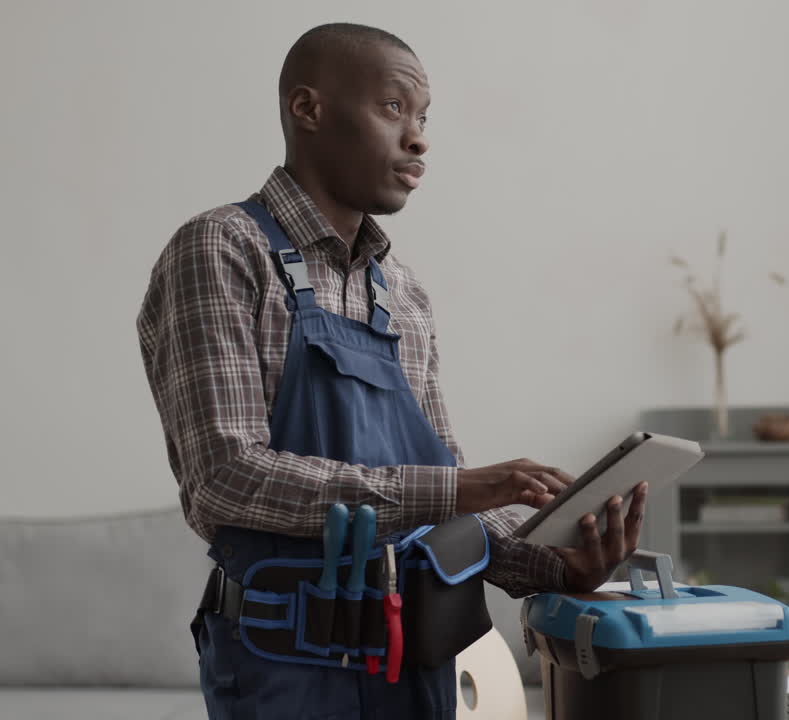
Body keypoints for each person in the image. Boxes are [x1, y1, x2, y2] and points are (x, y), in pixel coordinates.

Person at [136, 22, 647, 719]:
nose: (419, 138)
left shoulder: (402, 292)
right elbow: (226, 479)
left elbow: (446, 506)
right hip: (280, 668)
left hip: (414, 664)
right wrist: (454, 488)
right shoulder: (223, 250)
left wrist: (560, 564)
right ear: (308, 109)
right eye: (394, 108)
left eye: (424, 117)